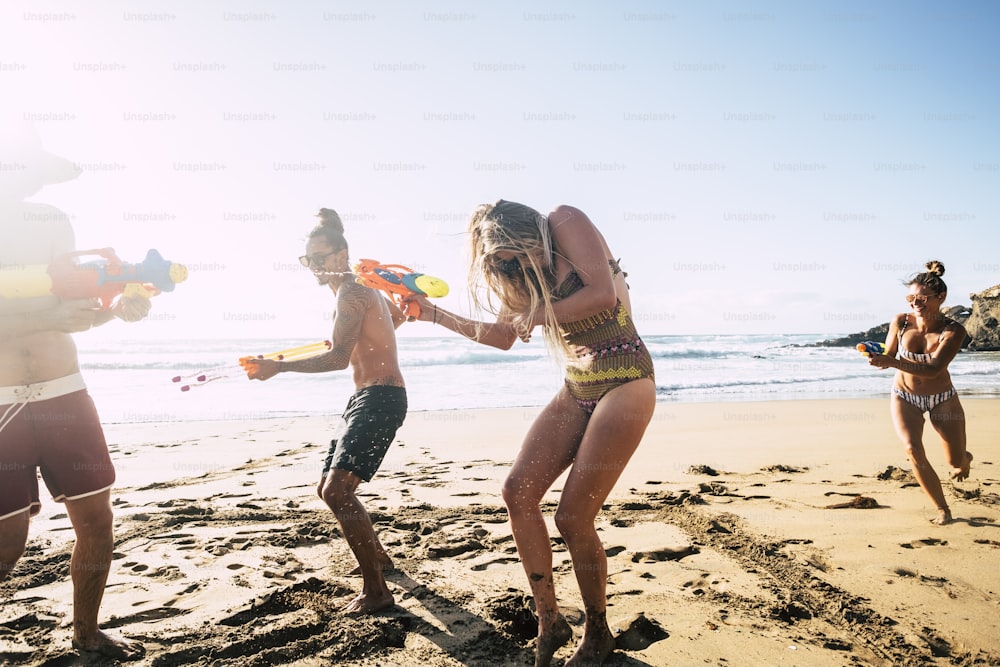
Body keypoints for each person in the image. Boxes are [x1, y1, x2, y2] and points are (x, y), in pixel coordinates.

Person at [407, 200, 656, 667]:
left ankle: (597, 632)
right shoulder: (515, 275)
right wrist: (431, 315)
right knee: (517, 492)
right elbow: (503, 336)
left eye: (526, 256)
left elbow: (602, 294)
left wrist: (536, 314)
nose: (525, 267)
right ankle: (550, 620)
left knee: (571, 518)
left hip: (627, 378)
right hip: (577, 384)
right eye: (511, 263)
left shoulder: (565, 220)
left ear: (535, 234)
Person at [0, 125, 148, 660]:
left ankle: (86, 632)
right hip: (3, 402)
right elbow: (39, 311)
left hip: (66, 391)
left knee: (95, 519)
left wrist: (116, 310)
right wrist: (49, 313)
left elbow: (72, 310)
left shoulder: (52, 222)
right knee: (7, 542)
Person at [246, 207, 407, 614]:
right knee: (327, 490)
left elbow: (337, 359)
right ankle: (381, 561)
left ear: (342, 254)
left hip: (381, 397)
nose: (313, 267)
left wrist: (277, 368)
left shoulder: (351, 292)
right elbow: (397, 318)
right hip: (365, 397)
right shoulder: (360, 292)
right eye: (308, 260)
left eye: (320, 258)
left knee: (338, 492)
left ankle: (377, 592)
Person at [868, 260, 973, 525]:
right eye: (911, 297)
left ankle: (965, 458)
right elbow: (890, 354)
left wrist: (891, 362)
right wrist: (876, 356)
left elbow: (935, 370)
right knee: (912, 449)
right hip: (904, 395)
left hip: (943, 399)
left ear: (941, 297)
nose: (916, 302)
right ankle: (942, 509)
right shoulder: (901, 322)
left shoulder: (954, 331)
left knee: (955, 462)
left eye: (922, 298)